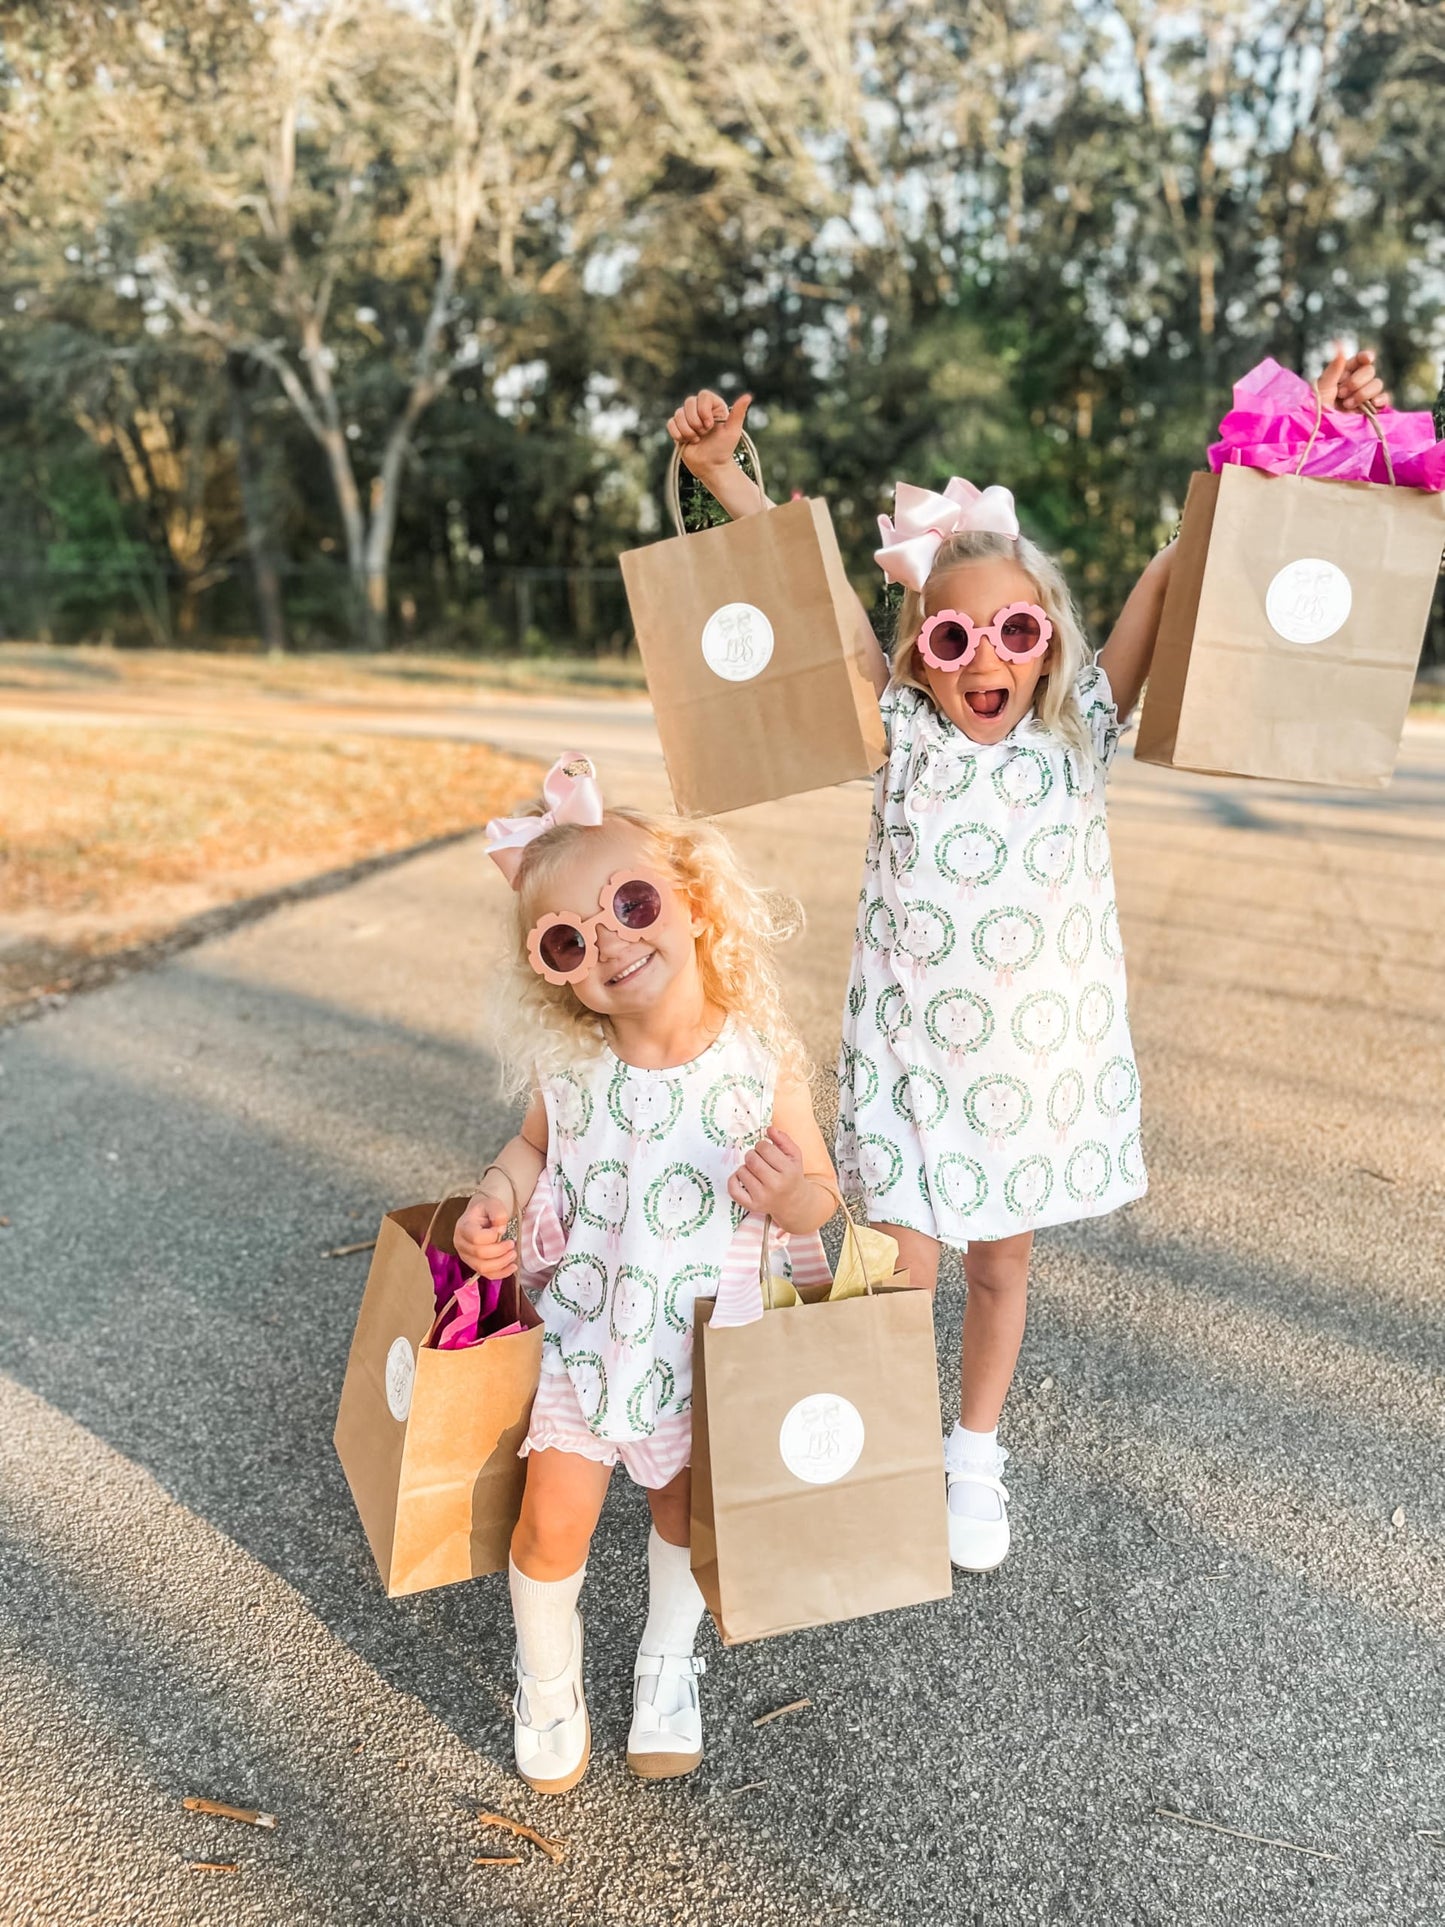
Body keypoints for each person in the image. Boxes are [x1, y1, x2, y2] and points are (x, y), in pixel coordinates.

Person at [666, 345, 1385, 1576]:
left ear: (1046, 642)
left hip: (1033, 1071)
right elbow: (818, 592)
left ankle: (973, 1451)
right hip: (913, 1066)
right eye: (951, 639)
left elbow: (1183, 563)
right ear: (918, 654)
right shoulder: (893, 733)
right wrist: (727, 477)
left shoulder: (1079, 732)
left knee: (1004, 1263)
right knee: (902, 1272)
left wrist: (1296, 439)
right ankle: (866, 1451)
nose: (984, 660)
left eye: (1012, 630)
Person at [454, 752, 837, 1794]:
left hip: (704, 1348)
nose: (612, 940)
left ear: (694, 900)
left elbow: (819, 1195)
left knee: (681, 1519)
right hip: (589, 1334)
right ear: (556, 973)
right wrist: (497, 1193)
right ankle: (548, 1681)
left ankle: (666, 1664)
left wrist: (791, 1194)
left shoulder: (758, 1059)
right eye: (570, 938)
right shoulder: (570, 1065)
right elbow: (529, 1151)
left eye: (630, 901)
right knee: (548, 1521)